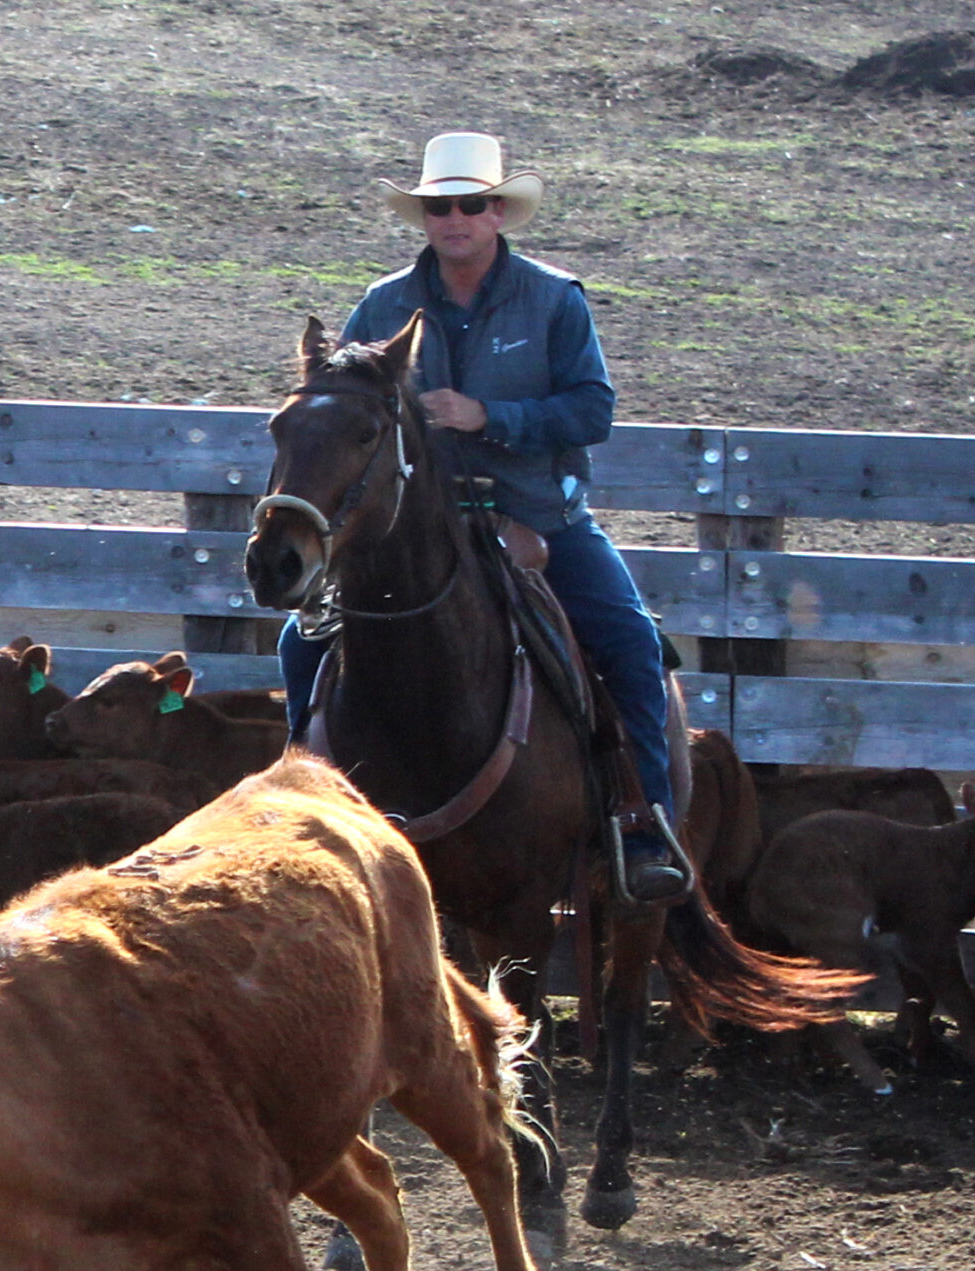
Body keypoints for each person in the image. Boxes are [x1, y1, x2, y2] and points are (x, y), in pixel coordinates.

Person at [277, 132, 687, 905]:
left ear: (499, 211)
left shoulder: (554, 299)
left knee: (631, 644)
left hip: (538, 515)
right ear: (425, 216)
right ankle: (301, 811)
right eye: (440, 206)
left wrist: (485, 415)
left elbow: (592, 409)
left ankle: (642, 822)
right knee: (301, 644)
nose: (455, 218)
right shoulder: (383, 303)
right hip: (419, 527)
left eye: (470, 204)